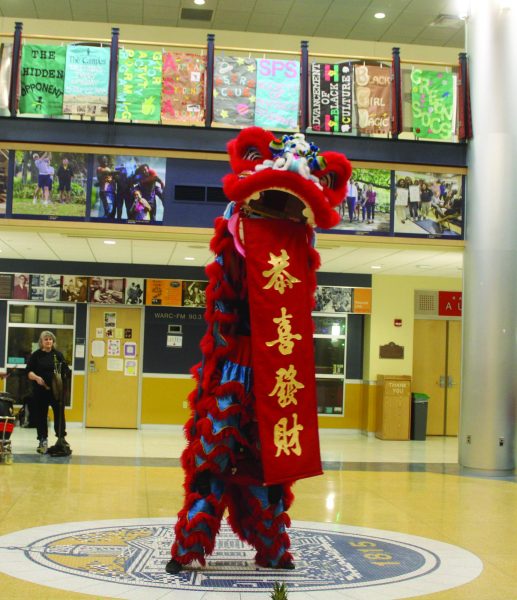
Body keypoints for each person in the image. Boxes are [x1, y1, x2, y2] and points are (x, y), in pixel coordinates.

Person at [26, 331, 70, 454]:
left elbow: (65, 370)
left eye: (50, 339)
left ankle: (61, 438)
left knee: (59, 415)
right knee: (41, 416)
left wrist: (64, 376)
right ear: (41, 342)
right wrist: (36, 378)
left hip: (56, 392)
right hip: (40, 391)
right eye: (46, 339)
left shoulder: (58, 355)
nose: (48, 341)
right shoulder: (36, 356)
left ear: (53, 341)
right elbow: (28, 372)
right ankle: (42, 439)